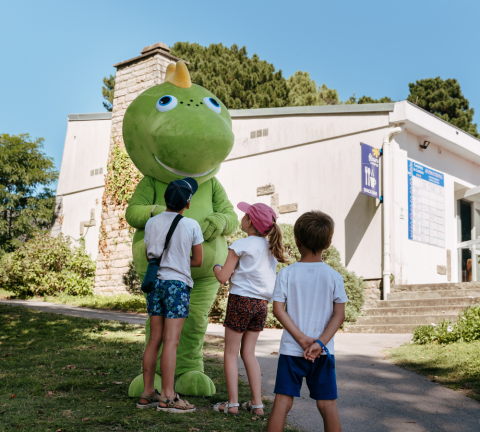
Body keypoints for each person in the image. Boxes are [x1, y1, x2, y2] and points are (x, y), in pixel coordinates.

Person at [266, 211, 348, 432]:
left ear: (297, 240)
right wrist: (319, 343)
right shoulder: (334, 276)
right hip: (322, 352)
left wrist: (301, 339)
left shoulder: (286, 274)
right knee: (327, 404)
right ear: (328, 243)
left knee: (282, 402)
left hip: (292, 351)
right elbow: (338, 315)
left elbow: (277, 310)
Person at [212, 202, 287, 415]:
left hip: (240, 302)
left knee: (230, 353)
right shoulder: (270, 248)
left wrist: (216, 266)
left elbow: (222, 277)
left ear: (250, 222)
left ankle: (233, 404)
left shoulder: (240, 244)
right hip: (260, 305)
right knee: (249, 353)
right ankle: (257, 404)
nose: (242, 217)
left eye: (245, 215)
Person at [137, 177, 203, 413]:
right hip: (177, 285)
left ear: (165, 199)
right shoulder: (192, 225)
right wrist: (178, 258)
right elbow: (198, 260)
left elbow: (149, 257)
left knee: (154, 339)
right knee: (171, 343)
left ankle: (147, 392)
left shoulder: (152, 223)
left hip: (155, 285)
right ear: (187, 203)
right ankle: (167, 396)